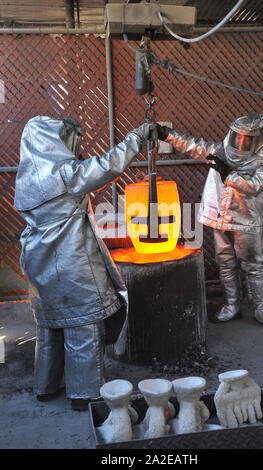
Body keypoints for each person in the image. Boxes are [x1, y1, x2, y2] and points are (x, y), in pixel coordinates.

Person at [14, 116, 155, 410]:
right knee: (83, 327)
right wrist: (138, 136)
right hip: (72, 264)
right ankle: (85, 394)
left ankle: (46, 387)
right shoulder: (66, 174)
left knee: (50, 328)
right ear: (51, 142)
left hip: (39, 265)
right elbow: (108, 166)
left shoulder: (26, 177)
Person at [156, 113, 263, 328]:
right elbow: (193, 145)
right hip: (219, 218)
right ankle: (232, 306)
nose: (240, 142)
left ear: (259, 139)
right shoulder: (219, 152)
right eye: (237, 136)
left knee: (253, 265)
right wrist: (166, 134)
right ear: (231, 134)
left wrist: (227, 173)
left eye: (247, 139)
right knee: (225, 263)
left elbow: (253, 186)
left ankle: (261, 309)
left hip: (245, 221)